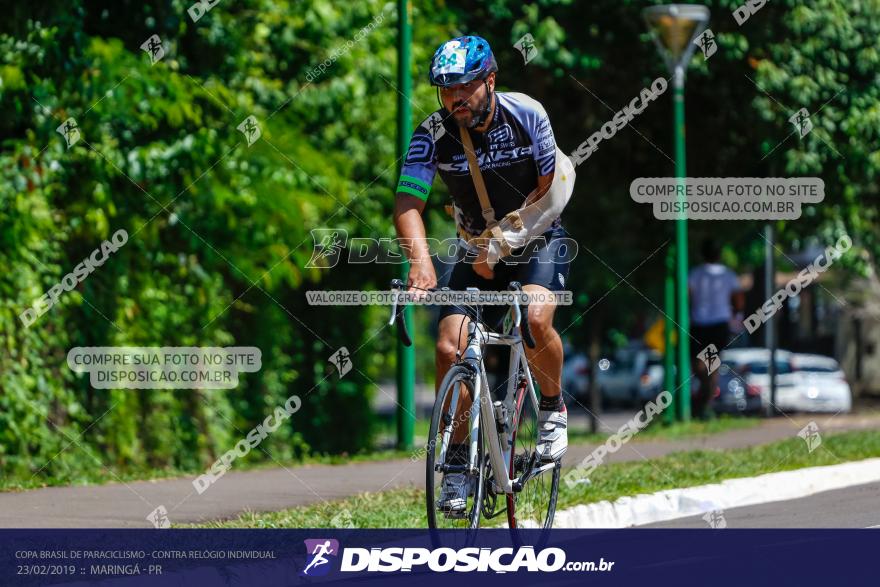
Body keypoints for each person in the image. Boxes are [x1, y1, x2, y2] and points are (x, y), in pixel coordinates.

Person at [393, 36, 572, 515]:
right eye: (445, 91)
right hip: (474, 249)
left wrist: (503, 244)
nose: (454, 100)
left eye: (463, 89)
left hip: (536, 238)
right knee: (451, 347)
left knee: (534, 322)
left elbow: (548, 192)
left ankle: (553, 410)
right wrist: (420, 260)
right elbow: (409, 203)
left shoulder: (528, 115)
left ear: (489, 81)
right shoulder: (431, 134)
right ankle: (457, 461)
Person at [688, 238, 745, 419]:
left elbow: (687, 297)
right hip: (718, 325)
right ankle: (705, 402)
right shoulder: (728, 275)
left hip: (700, 325)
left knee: (700, 366)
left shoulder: (694, 274)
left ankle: (704, 405)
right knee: (710, 366)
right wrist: (736, 314)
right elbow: (738, 300)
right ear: (719, 255)